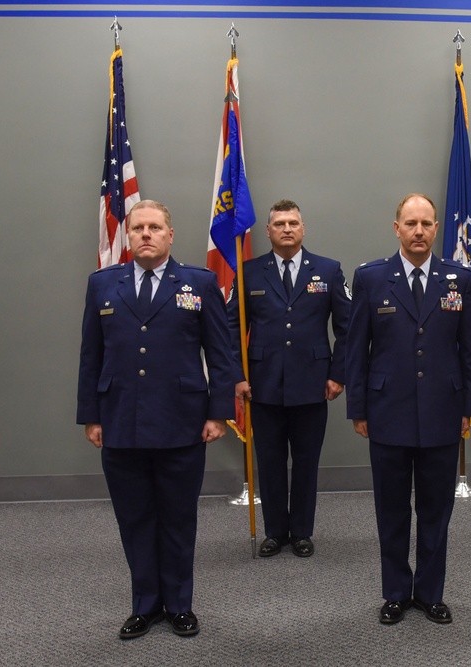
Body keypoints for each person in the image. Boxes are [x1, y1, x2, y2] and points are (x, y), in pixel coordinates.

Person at [77, 200, 234, 639]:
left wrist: (219, 413)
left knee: (179, 518)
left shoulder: (199, 283)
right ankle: (145, 604)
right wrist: (91, 415)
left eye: (155, 227)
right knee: (135, 518)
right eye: (138, 227)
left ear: (170, 235)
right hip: (120, 420)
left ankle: (180, 604)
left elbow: (220, 355)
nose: (146, 234)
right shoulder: (103, 285)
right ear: (128, 236)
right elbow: (92, 356)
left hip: (182, 420)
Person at [345, 193, 471, 625]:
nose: (419, 231)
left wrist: (469, 407)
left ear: (436, 228)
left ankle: (429, 593)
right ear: (397, 228)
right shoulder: (371, 278)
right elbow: (356, 350)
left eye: (426, 223)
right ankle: (394, 593)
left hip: (444, 411)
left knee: (436, 510)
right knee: (391, 510)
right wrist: (358, 408)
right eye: (411, 223)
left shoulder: (459, 278)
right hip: (387, 410)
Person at [228, 199, 350, 558]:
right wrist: (237, 375)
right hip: (262, 386)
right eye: (279, 223)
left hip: (313, 384)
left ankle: (301, 532)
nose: (286, 228)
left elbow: (347, 328)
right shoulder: (248, 272)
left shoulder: (328, 271)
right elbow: (231, 328)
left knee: (306, 462)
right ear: (267, 231)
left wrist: (337, 374)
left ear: (303, 228)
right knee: (270, 462)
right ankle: (275, 532)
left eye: (292, 223)